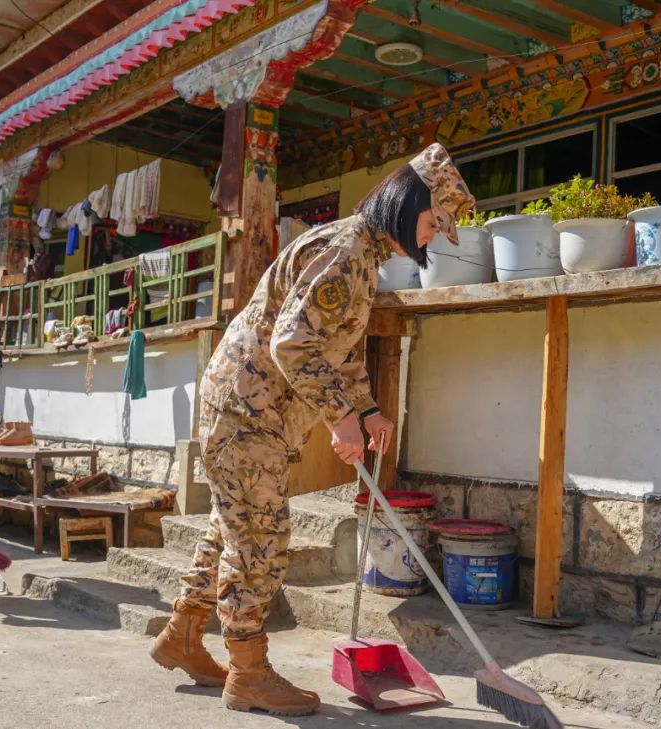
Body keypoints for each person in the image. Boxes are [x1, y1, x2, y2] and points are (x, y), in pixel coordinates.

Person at [149, 144, 473, 715]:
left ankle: (182, 635)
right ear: (406, 203)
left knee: (232, 529)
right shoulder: (347, 251)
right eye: (429, 224)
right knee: (262, 539)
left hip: (249, 409)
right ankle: (248, 673)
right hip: (249, 411)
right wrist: (340, 418)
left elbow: (337, 349)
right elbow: (293, 343)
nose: (427, 240)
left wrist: (368, 410)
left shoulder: (361, 257)